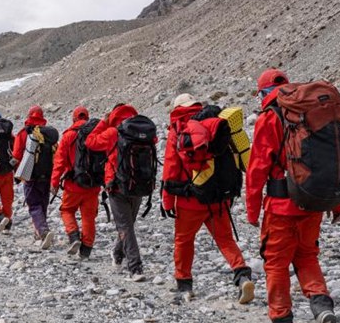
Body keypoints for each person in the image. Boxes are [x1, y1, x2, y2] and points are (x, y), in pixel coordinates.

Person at [247, 68, 340, 323]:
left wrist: (252, 210)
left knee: (276, 263)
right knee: (307, 255)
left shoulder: (270, 117)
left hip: (280, 206)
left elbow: (257, 169)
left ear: (263, 92)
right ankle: (322, 309)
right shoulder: (311, 112)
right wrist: (336, 204)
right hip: (313, 201)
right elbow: (333, 160)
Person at [161, 94, 254, 305]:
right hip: (218, 197)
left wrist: (167, 201)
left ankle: (184, 284)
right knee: (225, 239)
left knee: (184, 241)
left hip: (189, 201)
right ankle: (242, 274)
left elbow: (171, 167)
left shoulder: (179, 129)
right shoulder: (216, 123)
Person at [85, 103, 156, 280]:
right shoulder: (144, 132)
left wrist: (105, 121)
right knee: (128, 223)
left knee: (125, 225)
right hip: (140, 183)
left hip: (116, 185)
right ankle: (117, 255)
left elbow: (90, 141)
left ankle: (135, 268)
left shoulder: (113, 132)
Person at [51, 106, 101, 260]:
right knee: (88, 216)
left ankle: (73, 237)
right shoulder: (96, 134)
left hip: (73, 184)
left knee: (67, 210)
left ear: (74, 119)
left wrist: (54, 182)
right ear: (87, 117)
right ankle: (86, 250)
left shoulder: (68, 136)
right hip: (93, 184)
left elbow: (59, 162)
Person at [12, 105, 59, 248]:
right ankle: (39, 230)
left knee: (33, 204)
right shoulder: (49, 134)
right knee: (43, 203)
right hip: (47, 174)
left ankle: (43, 231)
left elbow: (16, 155)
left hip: (30, 174)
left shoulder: (24, 133)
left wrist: (17, 172)